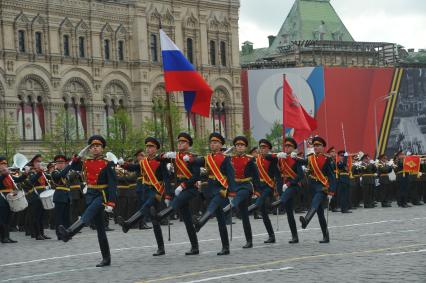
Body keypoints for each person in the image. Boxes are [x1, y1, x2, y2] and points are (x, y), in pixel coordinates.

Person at [58, 135, 117, 267]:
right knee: (100, 229)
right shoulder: (85, 162)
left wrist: (112, 202)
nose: (95, 148)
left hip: (102, 195)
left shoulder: (108, 163)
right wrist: (75, 159)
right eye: (92, 146)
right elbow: (64, 173)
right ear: (89, 149)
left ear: (102, 148)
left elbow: (113, 184)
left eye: (98, 146)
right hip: (90, 195)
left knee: (87, 214)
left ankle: (69, 233)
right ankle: (106, 258)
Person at [118, 137, 171, 256]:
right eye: (147, 147)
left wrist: (168, 194)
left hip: (157, 192)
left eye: (151, 147)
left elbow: (166, 178)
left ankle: (129, 223)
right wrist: (123, 164)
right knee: (154, 219)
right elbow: (133, 167)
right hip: (146, 191)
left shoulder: (161, 161)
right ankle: (161, 248)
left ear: (156, 148)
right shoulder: (144, 162)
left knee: (147, 206)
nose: (148, 149)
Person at [153, 132, 201, 255]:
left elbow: (196, 176)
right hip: (178, 187)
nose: (180, 144)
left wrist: (183, 185)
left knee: (176, 203)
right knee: (187, 220)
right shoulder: (174, 156)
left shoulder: (193, 157)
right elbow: (157, 158)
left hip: (190, 188)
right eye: (179, 142)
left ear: (188, 144)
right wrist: (165, 154)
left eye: (183, 142)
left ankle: (159, 217)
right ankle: (195, 247)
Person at [193, 133, 235, 255]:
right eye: (211, 142)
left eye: (216, 142)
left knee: (212, 205)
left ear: (221, 145)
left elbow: (231, 176)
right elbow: (197, 163)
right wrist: (187, 158)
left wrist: (232, 192)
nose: (213, 144)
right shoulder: (207, 158)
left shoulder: (226, 158)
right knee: (221, 220)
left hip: (222, 189)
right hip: (211, 188)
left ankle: (200, 223)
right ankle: (225, 247)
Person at [223, 136, 259, 249]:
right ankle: (249, 241)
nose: (239, 147)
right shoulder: (230, 159)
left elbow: (256, 176)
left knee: (241, 195)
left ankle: (229, 207)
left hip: (246, 185)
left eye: (242, 145)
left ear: (245, 147)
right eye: (238, 145)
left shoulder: (250, 159)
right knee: (244, 215)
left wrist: (257, 191)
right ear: (235, 147)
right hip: (234, 186)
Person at [299, 136, 336, 243]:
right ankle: (326, 236)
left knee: (315, 202)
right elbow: (304, 164)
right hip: (312, 187)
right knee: (320, 214)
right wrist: (293, 157)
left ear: (323, 147)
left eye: (318, 145)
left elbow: (332, 177)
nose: (316, 147)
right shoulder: (311, 158)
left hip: (322, 187)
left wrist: (331, 192)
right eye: (314, 145)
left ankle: (306, 220)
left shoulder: (327, 159)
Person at [272, 137, 305, 243]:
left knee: (286, 196)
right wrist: (278, 186)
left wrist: (290, 183)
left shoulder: (296, 158)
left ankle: (278, 203)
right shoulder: (281, 158)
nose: (286, 148)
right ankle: (295, 236)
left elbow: (300, 175)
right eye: (285, 146)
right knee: (289, 213)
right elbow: (277, 173)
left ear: (293, 148)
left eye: (289, 146)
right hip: (284, 186)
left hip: (294, 185)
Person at [247, 139, 281, 244]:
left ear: (269, 149)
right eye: (261, 147)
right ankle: (271, 236)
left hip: (268, 186)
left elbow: (277, 175)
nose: (262, 149)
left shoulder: (272, 159)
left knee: (260, 201)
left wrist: (278, 190)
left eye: (264, 147)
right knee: (264, 213)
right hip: (259, 186)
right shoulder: (255, 160)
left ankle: (246, 210)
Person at [0, 156, 28, 243]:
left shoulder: (9, 175)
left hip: (10, 197)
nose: (5, 165)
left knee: (9, 218)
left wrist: (25, 173)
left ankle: (7, 236)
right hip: (1, 197)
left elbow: (18, 179)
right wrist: (4, 174)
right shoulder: (3, 175)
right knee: (3, 218)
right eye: (2, 164)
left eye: (5, 163)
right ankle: (3, 237)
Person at [51, 155, 72, 240]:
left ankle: (66, 233)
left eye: (62, 163)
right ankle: (59, 234)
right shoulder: (54, 172)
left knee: (66, 217)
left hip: (66, 196)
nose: (61, 164)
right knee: (59, 217)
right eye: (59, 163)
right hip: (59, 196)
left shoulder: (66, 173)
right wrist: (69, 165)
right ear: (56, 164)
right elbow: (60, 175)